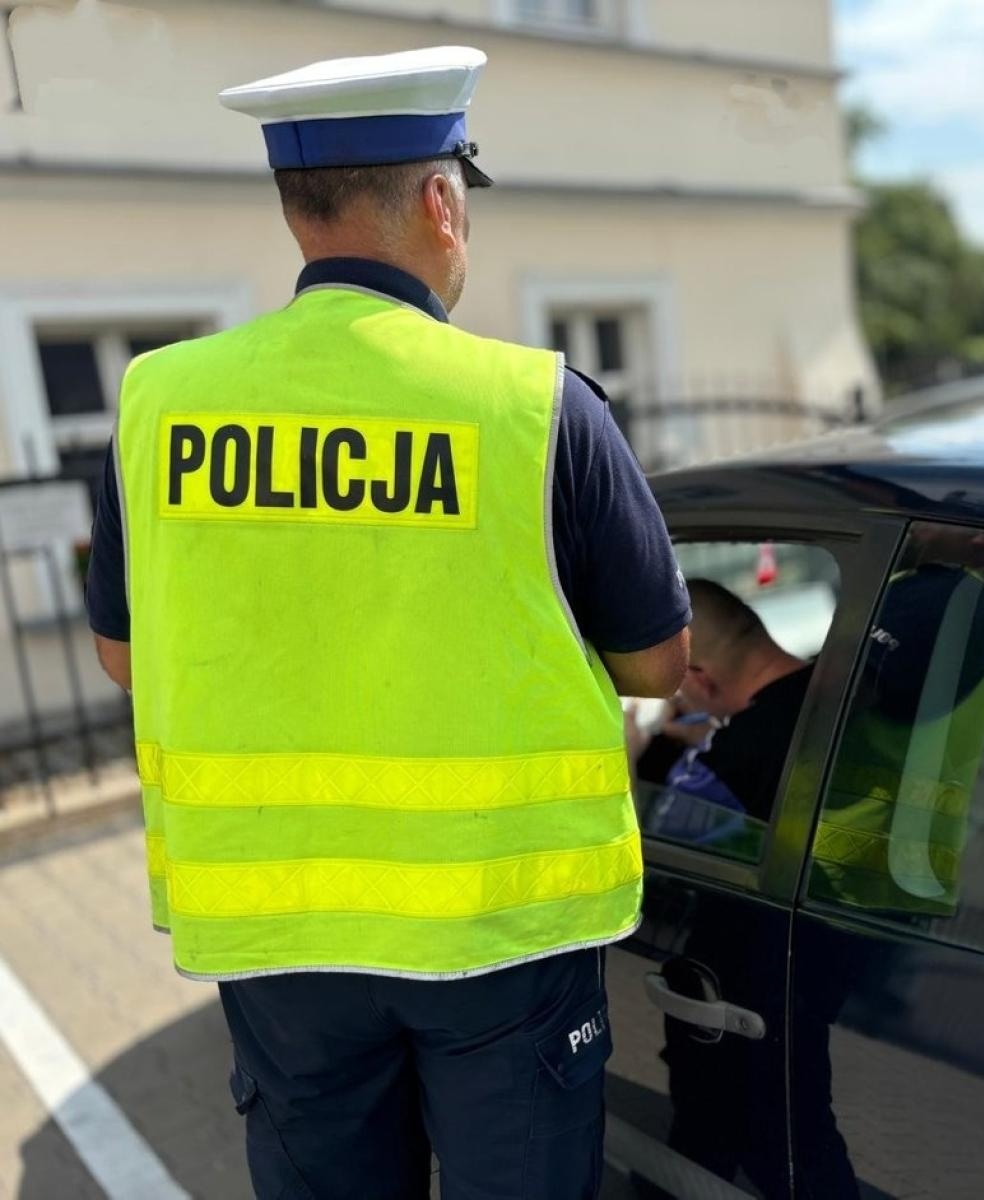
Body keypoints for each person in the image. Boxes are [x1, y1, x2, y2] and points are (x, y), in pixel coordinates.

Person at [84, 46, 690, 1200]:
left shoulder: (158, 401)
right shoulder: (533, 405)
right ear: (440, 199)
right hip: (498, 934)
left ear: (297, 207)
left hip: (278, 933)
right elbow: (657, 657)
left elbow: (124, 655)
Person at [633, 578, 815, 828]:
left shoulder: (724, 768)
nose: (678, 697)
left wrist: (628, 758)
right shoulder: (850, 682)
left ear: (701, 680)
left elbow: (653, 835)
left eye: (678, 686)